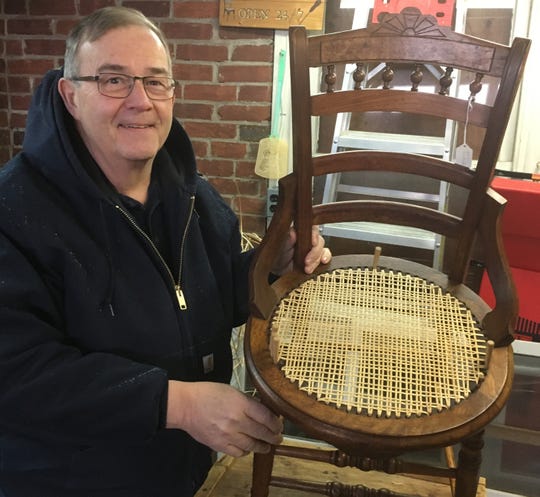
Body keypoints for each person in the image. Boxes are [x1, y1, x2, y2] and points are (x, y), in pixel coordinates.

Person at [0, 6, 331, 497]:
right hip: (65, 481)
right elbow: (17, 374)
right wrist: (179, 405)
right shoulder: (13, 211)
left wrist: (271, 265)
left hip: (180, 473)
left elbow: (215, 296)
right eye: (114, 80)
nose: (140, 101)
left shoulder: (192, 193)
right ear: (70, 95)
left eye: (156, 82)